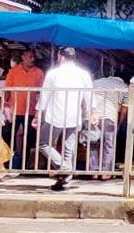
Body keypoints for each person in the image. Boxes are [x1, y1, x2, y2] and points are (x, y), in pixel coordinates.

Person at [37, 47, 94, 191]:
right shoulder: (83, 74)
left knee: (44, 143)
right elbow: (89, 95)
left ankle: (64, 169)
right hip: (74, 116)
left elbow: (45, 94)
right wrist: (92, 112)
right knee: (69, 149)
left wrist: (38, 114)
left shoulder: (53, 73)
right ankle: (65, 178)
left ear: (60, 56)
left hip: (55, 115)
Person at [3, 51, 44, 171]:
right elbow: (7, 90)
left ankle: (25, 166)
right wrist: (4, 105)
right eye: (30, 56)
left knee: (29, 138)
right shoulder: (14, 71)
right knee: (9, 136)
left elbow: (41, 93)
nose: (32, 59)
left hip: (31, 111)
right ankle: (10, 162)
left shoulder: (39, 72)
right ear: (23, 57)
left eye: (33, 56)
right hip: (14, 110)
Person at [86, 76, 129, 180]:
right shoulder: (125, 87)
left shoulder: (95, 82)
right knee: (109, 144)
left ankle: (94, 172)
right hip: (109, 116)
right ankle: (106, 173)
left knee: (92, 142)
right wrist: (119, 123)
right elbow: (123, 110)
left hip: (92, 115)